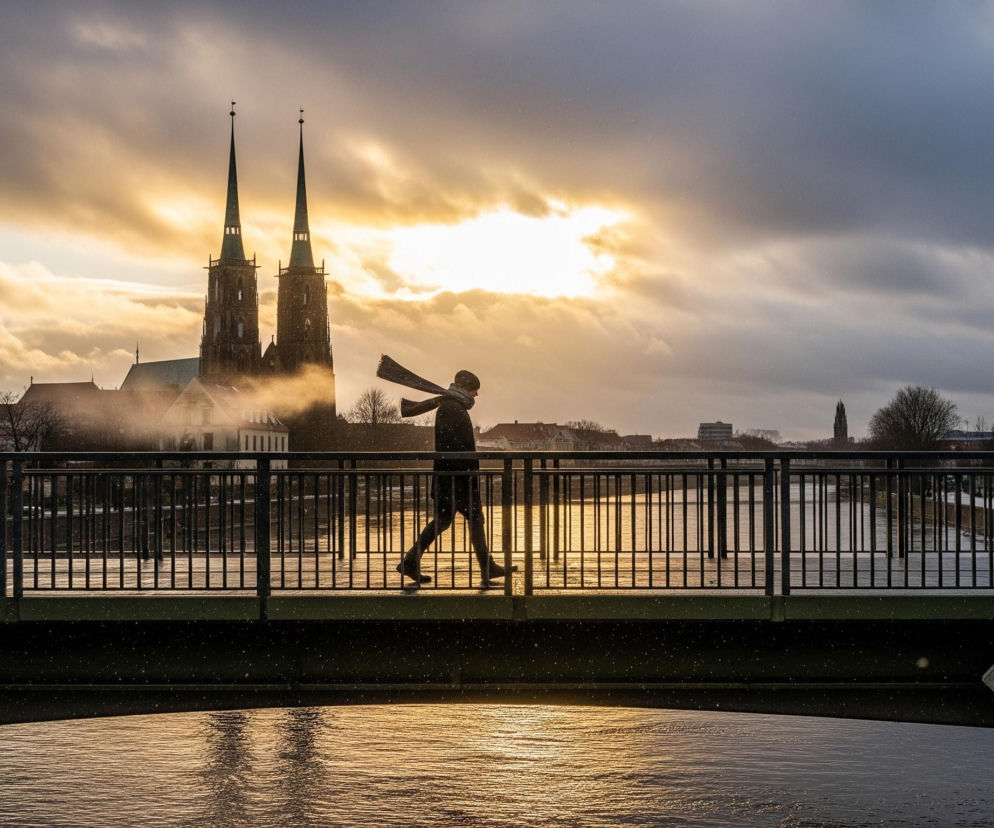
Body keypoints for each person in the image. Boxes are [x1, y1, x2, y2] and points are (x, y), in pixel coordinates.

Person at [376, 361, 516, 587]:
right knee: (473, 519)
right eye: (475, 390)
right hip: (457, 478)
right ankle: (486, 567)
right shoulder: (453, 408)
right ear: (467, 387)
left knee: (444, 521)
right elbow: (458, 446)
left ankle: (411, 561)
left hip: (449, 477)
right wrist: (468, 471)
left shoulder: (449, 405)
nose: (477, 394)